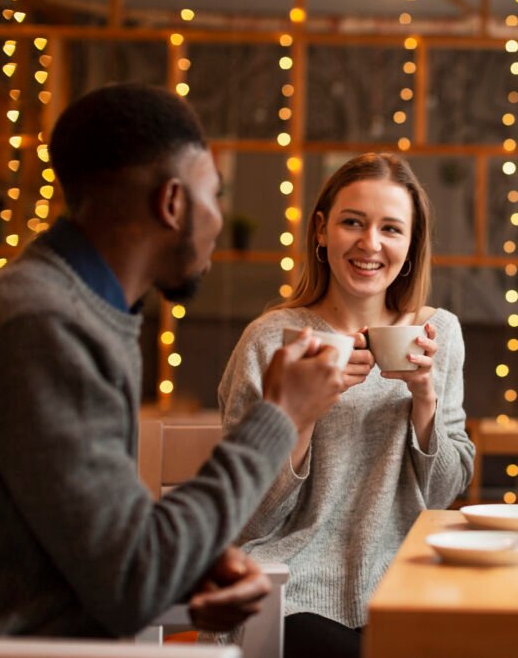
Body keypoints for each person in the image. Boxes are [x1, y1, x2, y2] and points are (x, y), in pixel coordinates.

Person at [0, 83, 346, 637]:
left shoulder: (82, 310)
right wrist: (279, 415)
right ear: (173, 203)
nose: (220, 219)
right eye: (216, 194)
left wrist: (190, 562)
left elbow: (91, 541)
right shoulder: (45, 326)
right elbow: (134, 579)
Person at [215, 152, 474, 657]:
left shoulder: (437, 333)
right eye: (352, 222)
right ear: (320, 231)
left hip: (404, 582)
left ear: (411, 244)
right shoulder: (270, 341)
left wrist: (423, 400)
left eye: (391, 228)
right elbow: (242, 518)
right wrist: (303, 412)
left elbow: (443, 495)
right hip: (289, 585)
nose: (370, 244)